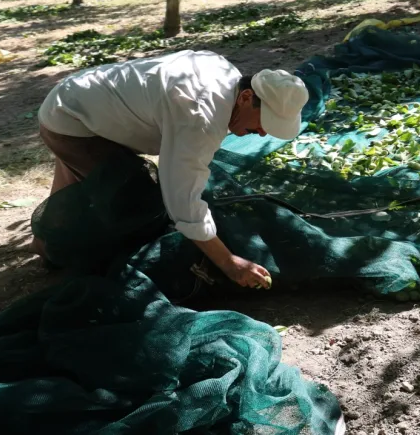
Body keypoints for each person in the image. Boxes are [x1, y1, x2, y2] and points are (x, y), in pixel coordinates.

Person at [36, 50, 310, 289]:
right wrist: (229, 262)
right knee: (135, 202)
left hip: (76, 97)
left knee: (79, 187)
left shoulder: (225, 72)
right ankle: (84, 263)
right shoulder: (201, 117)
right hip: (73, 120)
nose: (262, 134)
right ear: (247, 97)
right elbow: (182, 203)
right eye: (264, 123)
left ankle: (46, 243)